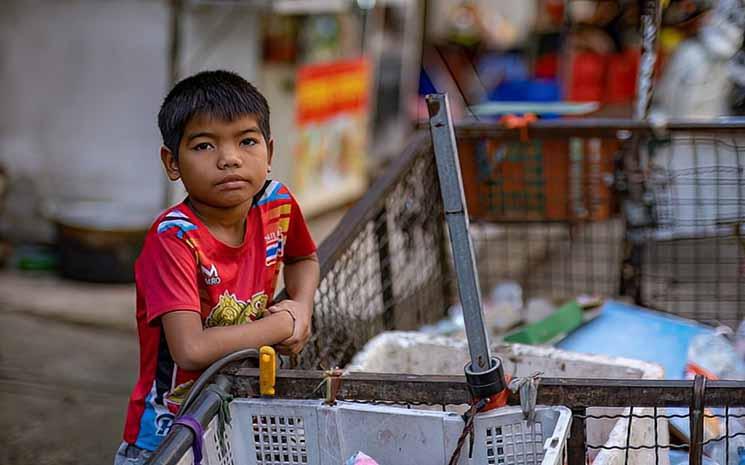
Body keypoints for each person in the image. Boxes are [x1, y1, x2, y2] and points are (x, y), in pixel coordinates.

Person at [114, 70, 320, 465]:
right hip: (167, 435)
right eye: (205, 145)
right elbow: (190, 349)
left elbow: (303, 257)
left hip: (239, 414)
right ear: (172, 162)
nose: (229, 158)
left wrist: (302, 307)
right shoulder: (173, 239)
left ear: (270, 152)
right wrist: (283, 325)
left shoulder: (276, 203)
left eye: (247, 141)